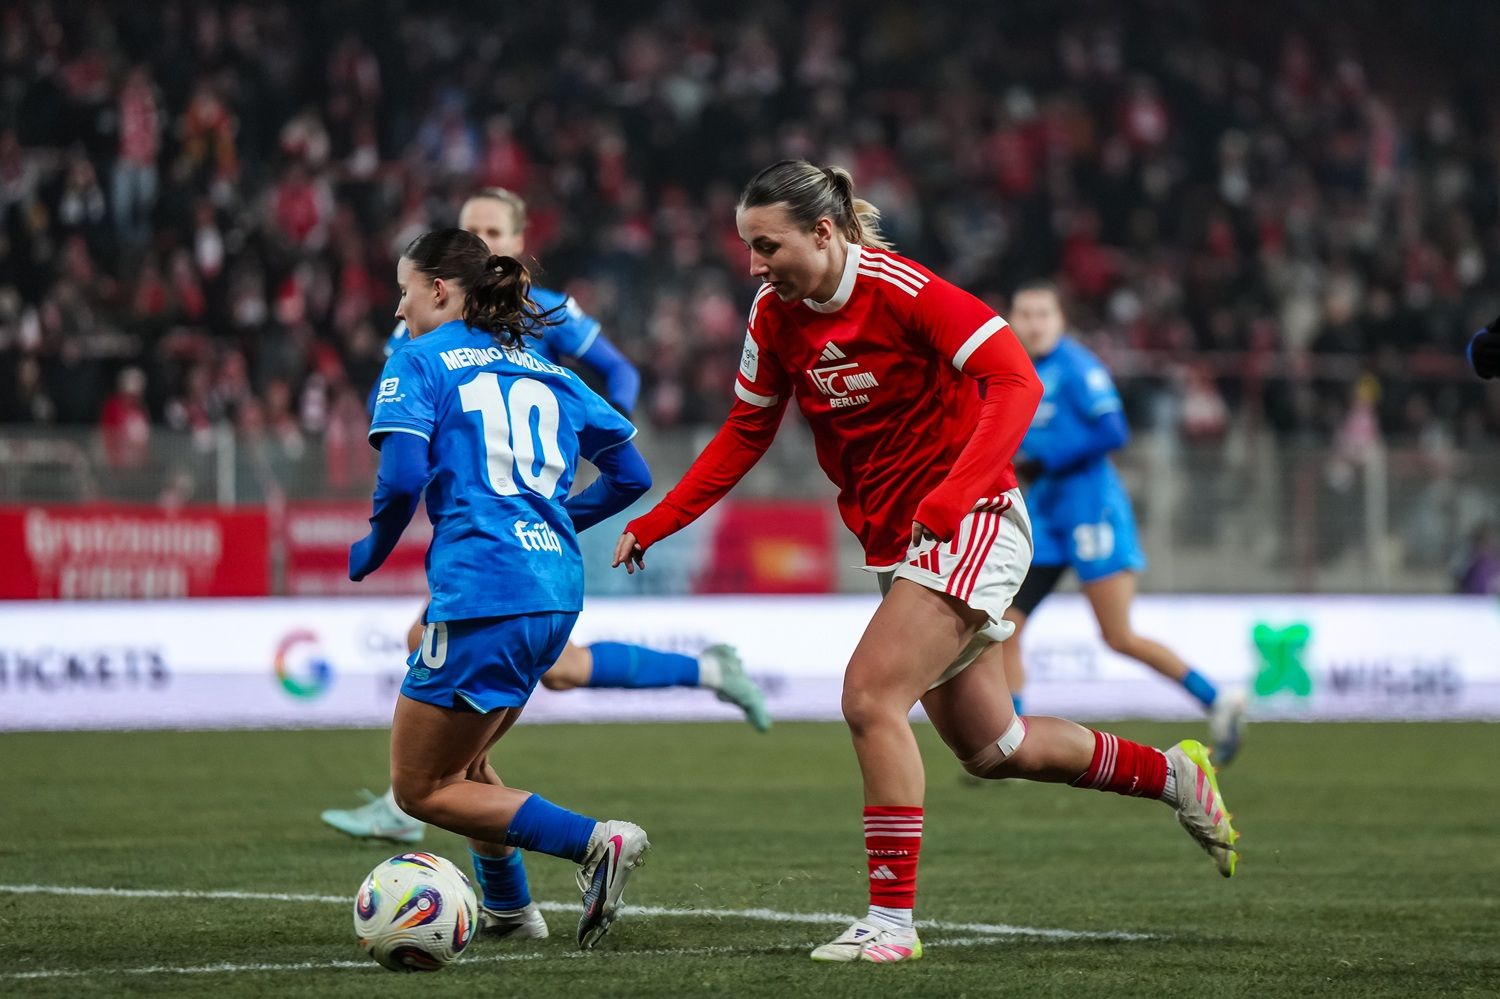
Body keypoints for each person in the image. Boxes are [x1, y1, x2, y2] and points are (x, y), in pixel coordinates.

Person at [612, 161, 1239, 964]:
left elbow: (1012, 379)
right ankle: (1175, 776)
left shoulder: (902, 288)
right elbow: (745, 430)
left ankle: (891, 922)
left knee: (869, 696)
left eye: (766, 245)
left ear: (824, 232)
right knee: (995, 747)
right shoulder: (775, 314)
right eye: (747, 247)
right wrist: (662, 519)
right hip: (902, 542)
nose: (754, 265)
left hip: (970, 519)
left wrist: (953, 496)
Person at [324, 189, 769, 852]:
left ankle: (465, 814)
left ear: (517, 235)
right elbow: (630, 471)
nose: (480, 237)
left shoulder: (523, 315)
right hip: (525, 553)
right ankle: (504, 899)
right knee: (509, 678)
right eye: (470, 227)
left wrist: (384, 537)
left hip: (490, 548)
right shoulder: (468, 332)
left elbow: (406, 461)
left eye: (493, 228)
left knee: (450, 702)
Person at [349, 228, 650, 950]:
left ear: (440, 292)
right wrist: (549, 519)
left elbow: (399, 480)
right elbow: (632, 474)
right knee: (468, 763)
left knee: (421, 787)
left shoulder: (418, 361)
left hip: (485, 586)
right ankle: (512, 908)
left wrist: (371, 548)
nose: (400, 308)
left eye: (405, 290)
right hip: (553, 591)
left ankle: (595, 841)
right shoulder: (540, 366)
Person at [1002, 281, 1247, 764]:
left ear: (1061, 320)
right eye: (1024, 313)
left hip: (1093, 512)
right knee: (1007, 626)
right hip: (1048, 517)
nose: (1033, 323)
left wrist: (1045, 459)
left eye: (1042, 314)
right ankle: (1012, 738)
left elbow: (1113, 429)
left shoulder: (1077, 367)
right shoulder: (1018, 369)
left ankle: (1218, 700)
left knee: (1117, 635)